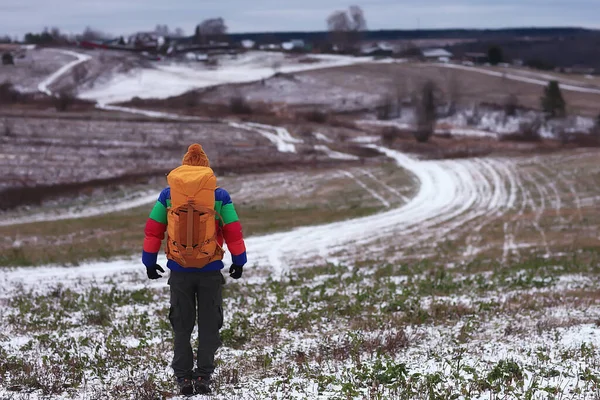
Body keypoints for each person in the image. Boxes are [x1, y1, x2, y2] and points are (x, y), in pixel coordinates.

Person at [142, 143, 247, 396]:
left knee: (181, 324)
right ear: (206, 169)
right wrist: (239, 260)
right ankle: (203, 375)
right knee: (210, 323)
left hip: (179, 270)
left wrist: (149, 260)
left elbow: (154, 229)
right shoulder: (219, 196)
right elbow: (233, 230)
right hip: (210, 269)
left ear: (184, 166)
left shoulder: (167, 195)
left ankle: (183, 378)